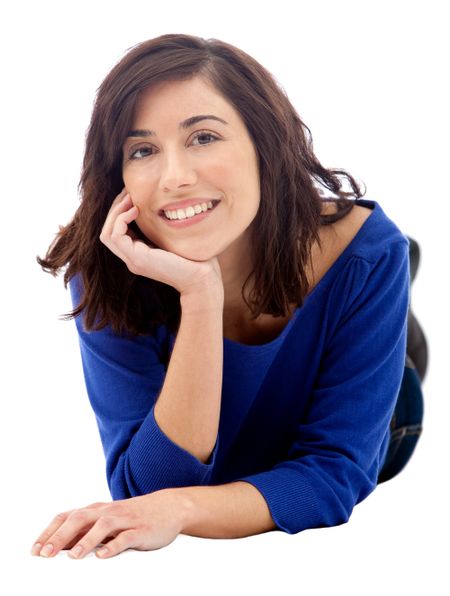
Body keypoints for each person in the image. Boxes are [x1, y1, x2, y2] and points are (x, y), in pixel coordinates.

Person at [31, 33, 426, 560]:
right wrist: (199, 294)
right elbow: (145, 491)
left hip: (383, 413)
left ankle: (389, 314)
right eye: (143, 150)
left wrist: (184, 510)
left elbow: (333, 476)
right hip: (233, 464)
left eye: (203, 138)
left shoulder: (368, 251)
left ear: (264, 142)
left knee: (395, 369)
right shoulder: (107, 270)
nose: (175, 177)